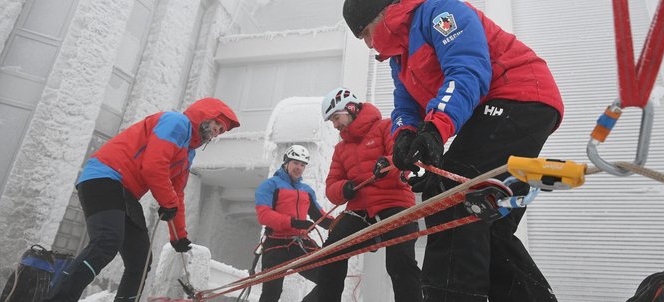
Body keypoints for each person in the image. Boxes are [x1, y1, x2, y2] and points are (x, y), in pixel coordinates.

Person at [341, 0, 564, 302]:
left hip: (519, 94)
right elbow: (406, 107)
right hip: (510, 108)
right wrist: (405, 135)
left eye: (364, 33)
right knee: (486, 221)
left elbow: (467, 70)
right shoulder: (399, 61)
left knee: (448, 193)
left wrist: (435, 129)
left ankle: (449, 295)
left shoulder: (440, 14)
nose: (367, 44)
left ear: (381, 16)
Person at [44, 98, 240, 302]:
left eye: (222, 129)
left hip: (125, 192)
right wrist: (168, 203)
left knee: (141, 260)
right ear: (204, 117)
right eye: (217, 124)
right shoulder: (175, 122)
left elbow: (176, 194)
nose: (217, 131)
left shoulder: (188, 152)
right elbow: (154, 166)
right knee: (107, 241)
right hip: (104, 176)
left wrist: (179, 236)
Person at [316, 87, 422, 302]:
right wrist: (343, 187)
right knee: (329, 255)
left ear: (351, 108)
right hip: (359, 210)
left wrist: (388, 165)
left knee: (400, 262)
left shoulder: (386, 126)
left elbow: (402, 162)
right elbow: (331, 187)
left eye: (336, 118)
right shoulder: (341, 149)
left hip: (395, 202)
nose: (335, 125)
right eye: (332, 121)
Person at [254, 144, 334, 302]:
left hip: (300, 244)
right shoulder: (270, 185)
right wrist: (294, 223)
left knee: (330, 277)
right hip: (275, 245)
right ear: (286, 162)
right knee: (271, 294)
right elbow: (264, 215)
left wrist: (342, 224)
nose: (299, 167)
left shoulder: (307, 190)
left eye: (302, 165)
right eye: (295, 163)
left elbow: (319, 216)